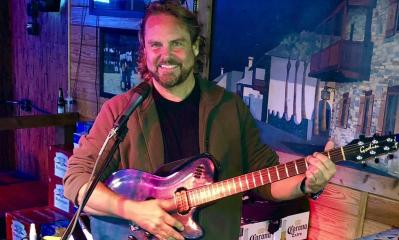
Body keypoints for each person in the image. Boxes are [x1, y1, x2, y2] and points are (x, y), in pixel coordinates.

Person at [63, 1, 336, 240]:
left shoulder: (230, 109)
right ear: (144, 50)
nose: (165, 55)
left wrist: (306, 184)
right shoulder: (121, 110)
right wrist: (136, 211)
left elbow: (265, 180)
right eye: (155, 44)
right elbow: (76, 181)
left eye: (177, 43)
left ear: (194, 47)